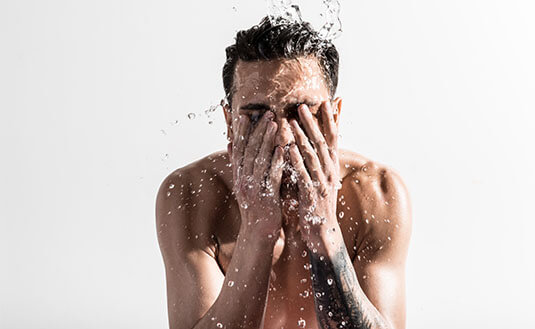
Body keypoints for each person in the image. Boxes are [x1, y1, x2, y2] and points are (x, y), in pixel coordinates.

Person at [156, 16, 412, 329]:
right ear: (228, 122)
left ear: (335, 115)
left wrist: (324, 229)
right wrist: (257, 233)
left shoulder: (376, 192)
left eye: (301, 115)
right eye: (256, 119)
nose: (284, 139)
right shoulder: (191, 195)